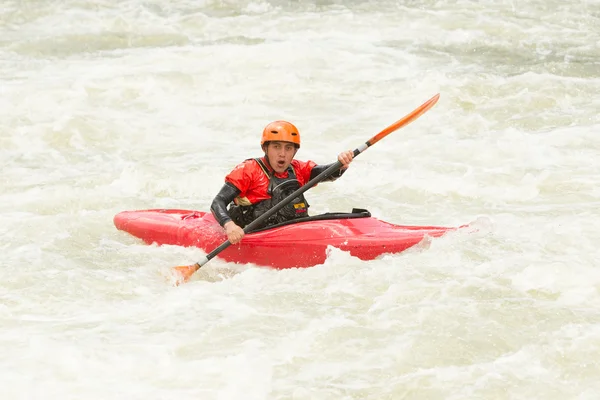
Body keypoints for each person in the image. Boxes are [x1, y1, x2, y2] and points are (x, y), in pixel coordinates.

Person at [210, 120, 354, 244]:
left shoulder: (298, 169)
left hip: (290, 235)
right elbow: (218, 202)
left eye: (288, 148)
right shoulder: (248, 170)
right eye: (276, 146)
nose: (282, 154)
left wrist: (341, 165)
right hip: (253, 236)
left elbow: (326, 173)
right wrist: (229, 226)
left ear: (294, 151)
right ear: (265, 148)